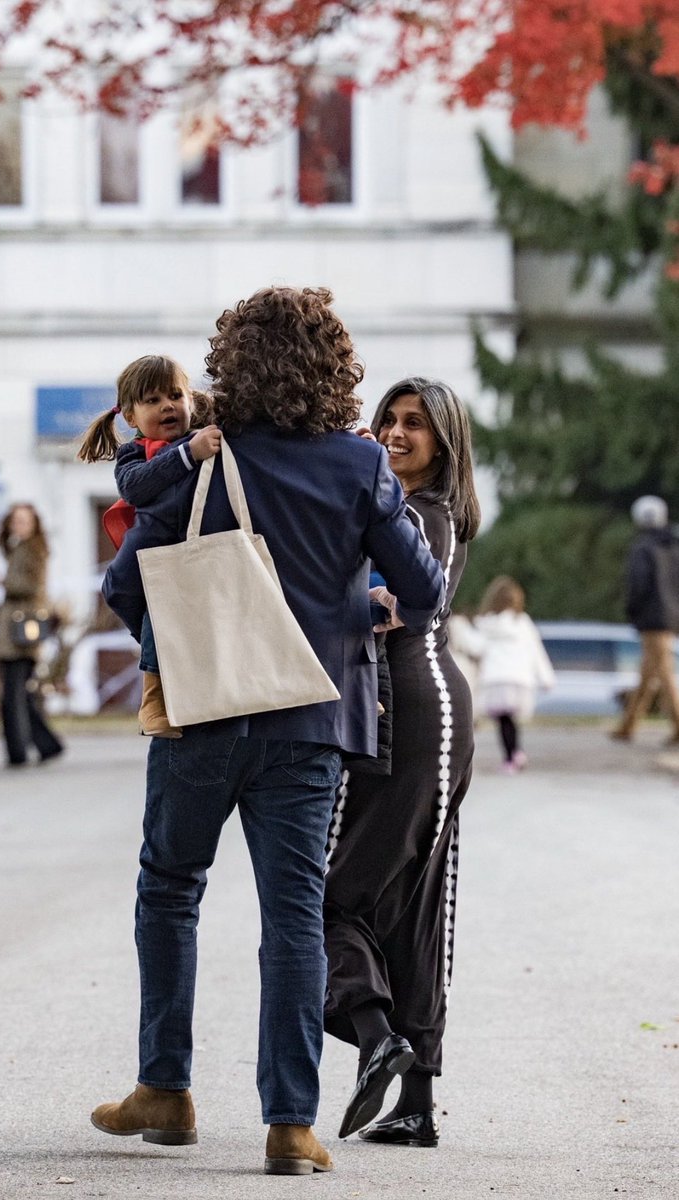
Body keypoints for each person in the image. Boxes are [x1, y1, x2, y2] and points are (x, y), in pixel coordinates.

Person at [94, 287, 446, 1175]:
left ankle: (164, 1090)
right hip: (311, 718)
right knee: (292, 915)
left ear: (231, 365)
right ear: (335, 369)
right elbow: (425, 589)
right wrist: (354, 605)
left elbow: (124, 583)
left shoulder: (203, 457)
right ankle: (290, 1125)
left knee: (169, 889)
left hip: (203, 713)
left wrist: (185, 638)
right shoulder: (359, 465)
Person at [323, 377, 481, 1146]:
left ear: (444, 443)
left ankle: (377, 1034)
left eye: (414, 423)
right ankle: (415, 1103)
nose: (394, 431)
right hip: (419, 709)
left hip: (414, 713)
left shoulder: (422, 514)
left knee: (329, 896)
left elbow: (408, 605)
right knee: (414, 908)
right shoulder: (409, 505)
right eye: (388, 417)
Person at [77, 358, 221, 737]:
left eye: (175, 396)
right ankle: (159, 672)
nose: (167, 406)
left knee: (164, 610)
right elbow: (135, 486)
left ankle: (159, 693)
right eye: (153, 400)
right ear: (130, 417)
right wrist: (188, 454)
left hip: (192, 550)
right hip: (151, 546)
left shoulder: (206, 437)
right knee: (127, 594)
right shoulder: (135, 453)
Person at [0, 503, 65, 767]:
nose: (18, 526)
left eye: (23, 521)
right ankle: (46, 745)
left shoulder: (33, 549)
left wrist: (2, 582)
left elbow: (32, 586)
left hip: (21, 631)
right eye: (15, 521)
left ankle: (20, 750)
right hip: (16, 630)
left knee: (15, 696)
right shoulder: (18, 547)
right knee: (21, 695)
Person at [611, 495, 679, 743]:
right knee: (648, 672)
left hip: (652, 619)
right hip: (672, 617)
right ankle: (628, 725)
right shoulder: (673, 546)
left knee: (664, 672)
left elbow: (638, 585)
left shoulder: (642, 548)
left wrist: (632, 611)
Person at [476, 576, 555, 772]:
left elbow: (477, 648)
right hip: (518, 679)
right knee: (510, 719)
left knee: (503, 720)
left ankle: (512, 756)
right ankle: (515, 754)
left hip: (496, 679)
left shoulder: (486, 624)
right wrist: (546, 677)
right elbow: (536, 650)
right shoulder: (522, 623)